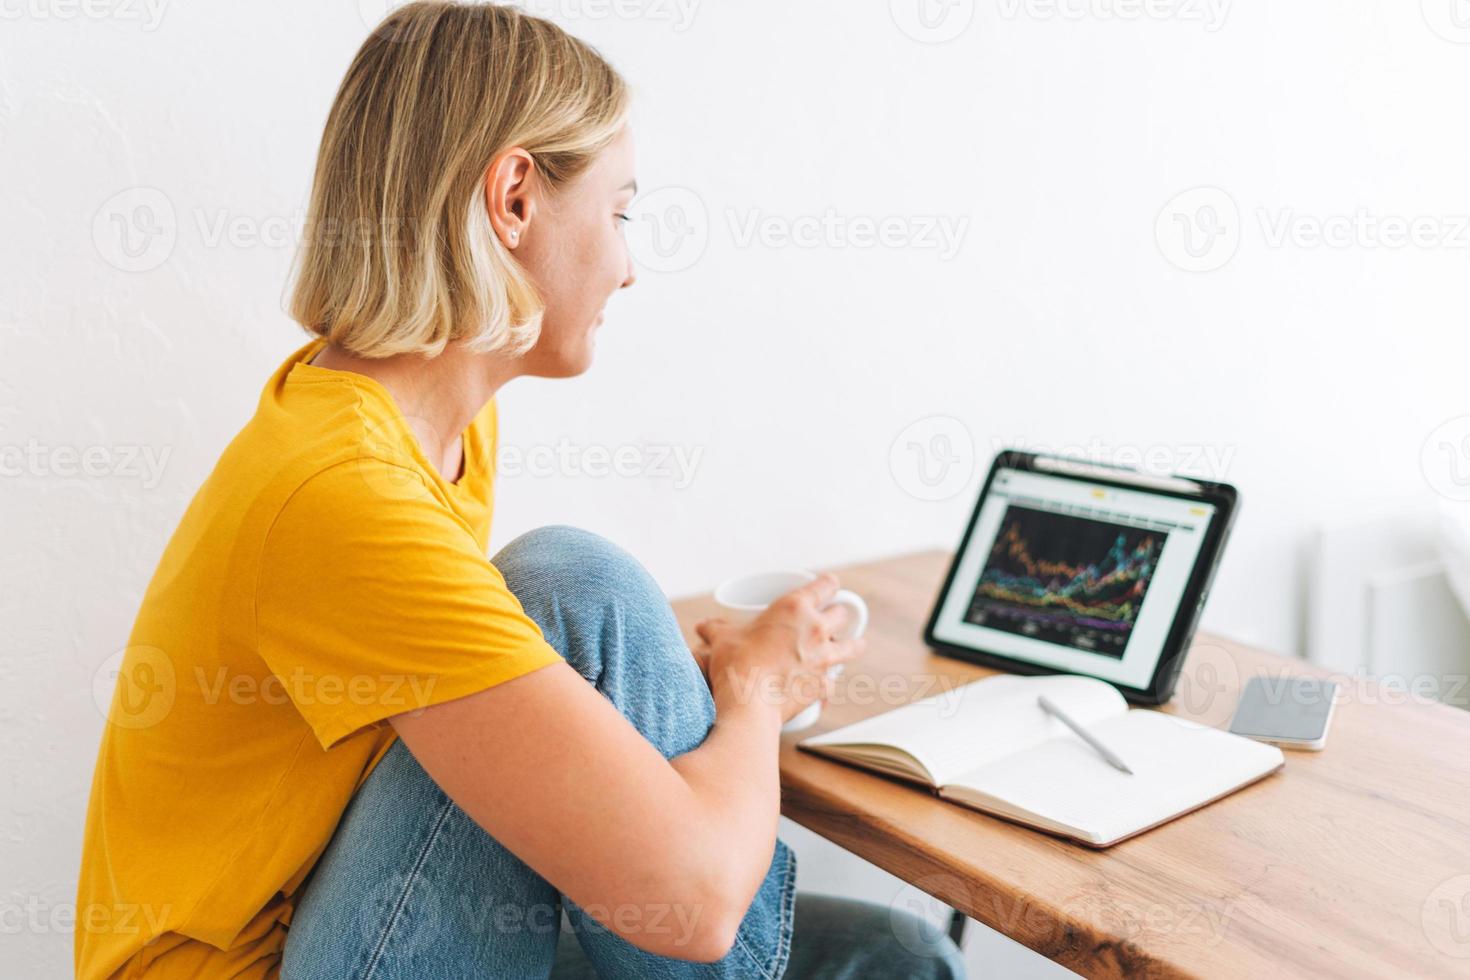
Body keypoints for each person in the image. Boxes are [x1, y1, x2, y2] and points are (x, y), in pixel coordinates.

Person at [75, 3, 968, 977]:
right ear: (512, 200)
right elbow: (700, 906)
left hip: (356, 914)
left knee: (896, 951)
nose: (628, 268)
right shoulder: (343, 493)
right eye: (620, 212)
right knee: (573, 584)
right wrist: (757, 691)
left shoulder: (442, 423)